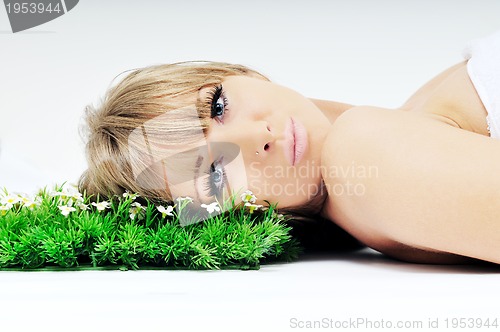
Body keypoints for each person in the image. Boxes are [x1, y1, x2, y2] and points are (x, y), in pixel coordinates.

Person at [79, 30, 500, 264]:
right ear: (241, 217)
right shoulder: (361, 155)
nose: (256, 138)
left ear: (237, 73)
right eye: (214, 173)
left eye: (217, 105)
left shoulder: (400, 127)